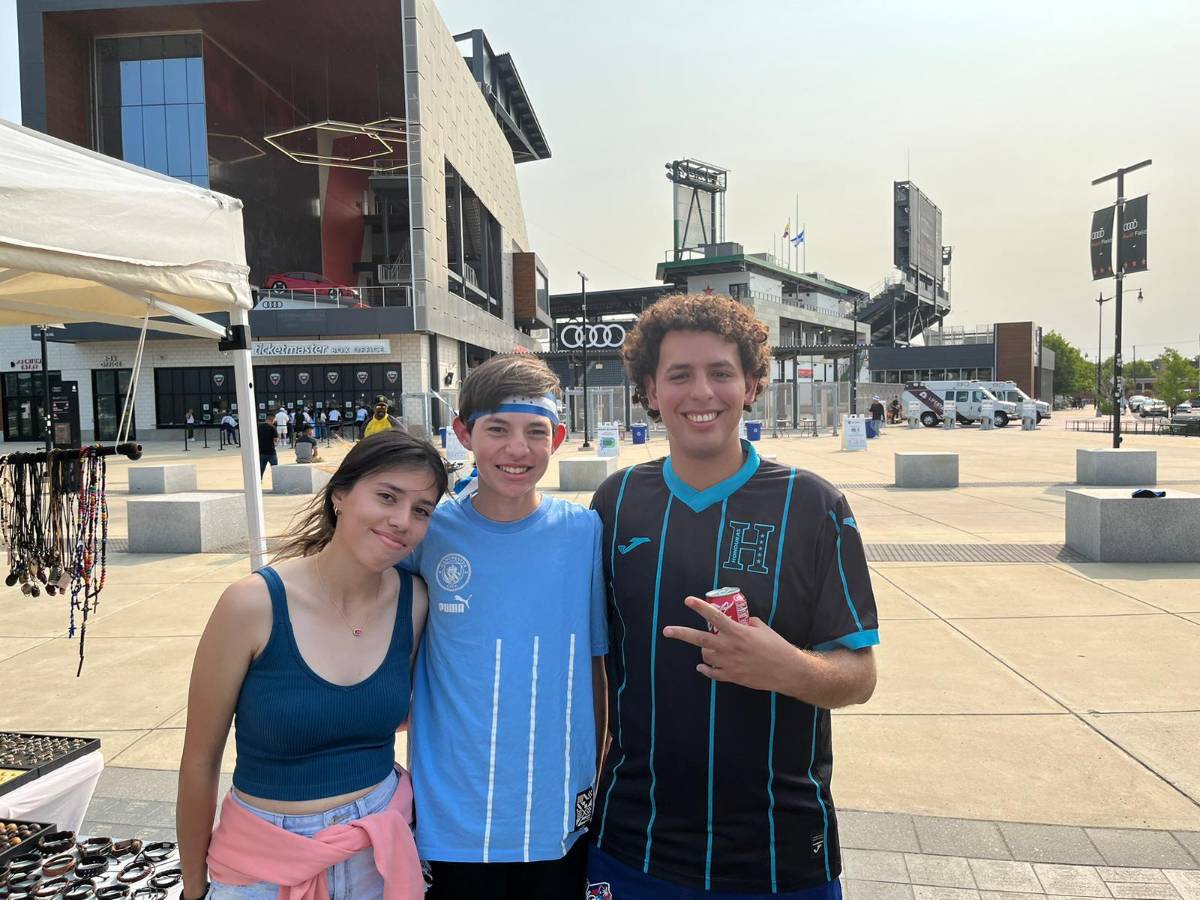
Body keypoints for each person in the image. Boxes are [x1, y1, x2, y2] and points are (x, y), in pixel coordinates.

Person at [587, 293, 879, 898]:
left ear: (751, 385)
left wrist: (786, 668)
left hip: (780, 849)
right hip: (635, 841)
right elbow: (594, 669)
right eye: (679, 375)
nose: (702, 393)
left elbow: (859, 676)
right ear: (649, 390)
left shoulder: (814, 505)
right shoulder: (616, 504)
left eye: (721, 372)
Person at [177, 430, 449, 900]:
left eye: (421, 510)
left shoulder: (416, 602)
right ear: (340, 494)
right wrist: (193, 886)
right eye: (387, 496)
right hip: (261, 864)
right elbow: (200, 760)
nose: (402, 520)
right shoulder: (252, 605)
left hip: (378, 856)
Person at [399, 354, 607, 898]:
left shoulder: (583, 532)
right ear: (464, 433)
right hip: (453, 815)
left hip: (554, 812)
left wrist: (597, 771)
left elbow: (595, 666)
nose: (517, 450)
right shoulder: (427, 533)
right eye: (497, 430)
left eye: (535, 432)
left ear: (558, 438)